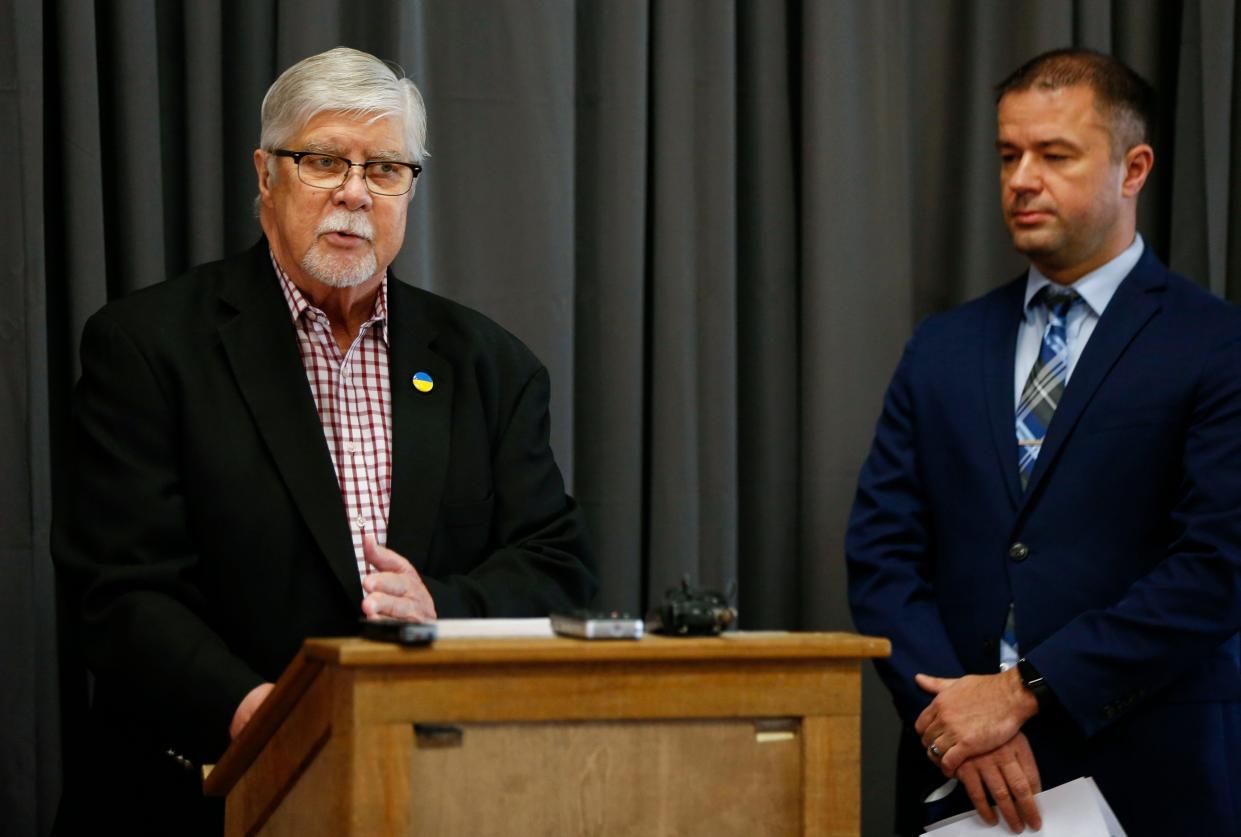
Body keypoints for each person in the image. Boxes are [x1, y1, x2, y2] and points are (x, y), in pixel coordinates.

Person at [52, 47, 596, 834]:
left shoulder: (490, 364)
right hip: (204, 792)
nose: (353, 193)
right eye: (323, 161)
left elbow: (558, 565)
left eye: (384, 169)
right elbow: (119, 590)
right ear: (264, 176)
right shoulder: (148, 347)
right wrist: (255, 711)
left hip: (431, 794)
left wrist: (442, 604)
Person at [846, 48, 1241, 836]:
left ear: (1133, 169)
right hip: (958, 777)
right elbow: (881, 553)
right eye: (1007, 155)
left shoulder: (1215, 342)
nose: (1021, 178)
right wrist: (956, 717)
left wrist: (1023, 689)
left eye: (1053, 154)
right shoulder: (942, 346)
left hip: (1153, 773)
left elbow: (1216, 565)